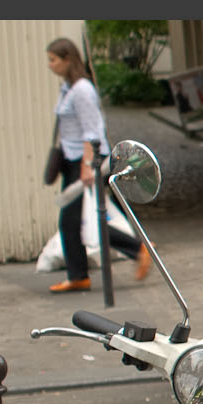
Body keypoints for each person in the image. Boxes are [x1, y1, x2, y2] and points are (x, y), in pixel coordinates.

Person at [44, 38, 145, 293]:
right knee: (73, 221)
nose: (50, 65)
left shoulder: (82, 90)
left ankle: (138, 249)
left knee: (85, 218)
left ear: (68, 59)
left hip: (86, 162)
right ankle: (78, 275)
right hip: (72, 160)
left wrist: (88, 166)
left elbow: (92, 131)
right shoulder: (67, 88)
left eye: (53, 60)